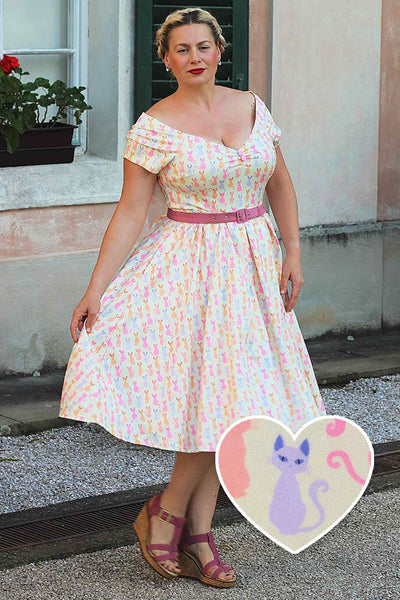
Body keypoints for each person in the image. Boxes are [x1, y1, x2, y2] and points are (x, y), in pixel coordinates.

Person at [59, 6, 326, 589]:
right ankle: (184, 522)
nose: (195, 57)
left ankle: (180, 519)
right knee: (215, 396)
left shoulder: (253, 107)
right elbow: (131, 211)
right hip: (189, 270)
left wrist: (294, 253)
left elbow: (280, 183)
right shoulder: (153, 125)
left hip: (253, 265)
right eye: (182, 50)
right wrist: (95, 289)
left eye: (203, 46)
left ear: (219, 50)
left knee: (239, 401)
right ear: (166, 59)